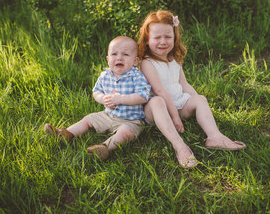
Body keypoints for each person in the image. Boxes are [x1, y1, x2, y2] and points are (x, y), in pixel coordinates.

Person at [138, 10, 246, 169]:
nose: (163, 41)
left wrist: (198, 103)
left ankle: (215, 137)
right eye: (157, 37)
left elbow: (184, 84)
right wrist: (175, 117)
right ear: (147, 40)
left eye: (168, 37)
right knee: (157, 101)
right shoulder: (147, 63)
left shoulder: (174, 59)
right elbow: (160, 91)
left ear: (175, 37)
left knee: (200, 98)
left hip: (177, 104)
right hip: (157, 111)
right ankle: (180, 146)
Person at [44, 36, 151, 160]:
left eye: (125, 54)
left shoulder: (137, 77)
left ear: (135, 61)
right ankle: (66, 134)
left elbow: (143, 96)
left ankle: (104, 148)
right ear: (108, 59)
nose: (119, 58)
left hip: (131, 121)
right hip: (108, 116)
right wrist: (103, 98)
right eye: (114, 54)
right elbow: (96, 92)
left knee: (125, 133)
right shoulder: (105, 76)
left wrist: (121, 99)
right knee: (88, 119)